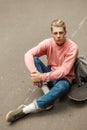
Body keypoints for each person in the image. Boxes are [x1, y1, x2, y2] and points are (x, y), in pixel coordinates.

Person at [6, 19, 78, 122]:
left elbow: (64, 71)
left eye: (61, 33)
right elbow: (28, 55)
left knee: (63, 87)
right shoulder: (48, 43)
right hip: (49, 75)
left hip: (64, 79)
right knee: (34, 59)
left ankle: (25, 110)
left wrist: (42, 77)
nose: (58, 36)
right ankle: (47, 95)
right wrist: (35, 74)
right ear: (51, 33)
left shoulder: (73, 48)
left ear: (65, 33)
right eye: (55, 33)